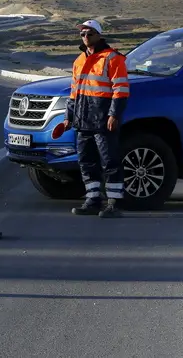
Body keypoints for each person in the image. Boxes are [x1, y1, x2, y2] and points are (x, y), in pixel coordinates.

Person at [54, 19, 129, 218]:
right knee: (86, 161)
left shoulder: (113, 58)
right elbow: (74, 92)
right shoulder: (79, 61)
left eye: (90, 33)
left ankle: (114, 203)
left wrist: (114, 114)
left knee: (110, 161)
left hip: (103, 119)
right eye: (83, 34)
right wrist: (68, 117)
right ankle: (92, 199)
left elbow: (120, 90)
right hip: (83, 119)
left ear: (99, 35)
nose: (85, 37)